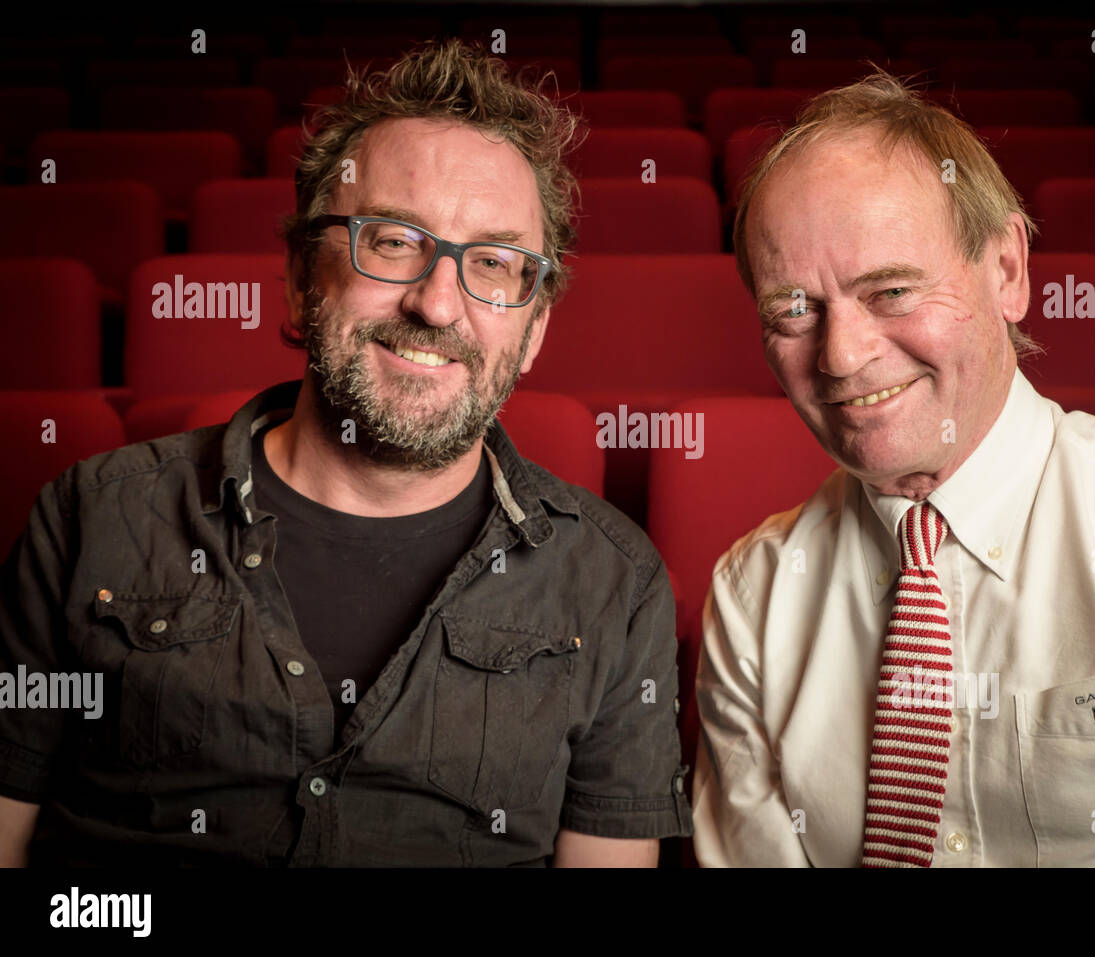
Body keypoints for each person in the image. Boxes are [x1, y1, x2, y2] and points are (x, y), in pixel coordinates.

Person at [0, 39, 690, 867]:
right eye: (394, 240)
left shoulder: (616, 584)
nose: (439, 303)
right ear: (299, 278)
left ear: (534, 329)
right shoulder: (89, 515)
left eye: (495, 265)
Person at [691, 70, 1095, 867]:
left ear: (1007, 270)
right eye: (793, 310)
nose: (840, 356)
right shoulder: (750, 598)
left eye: (893, 290)